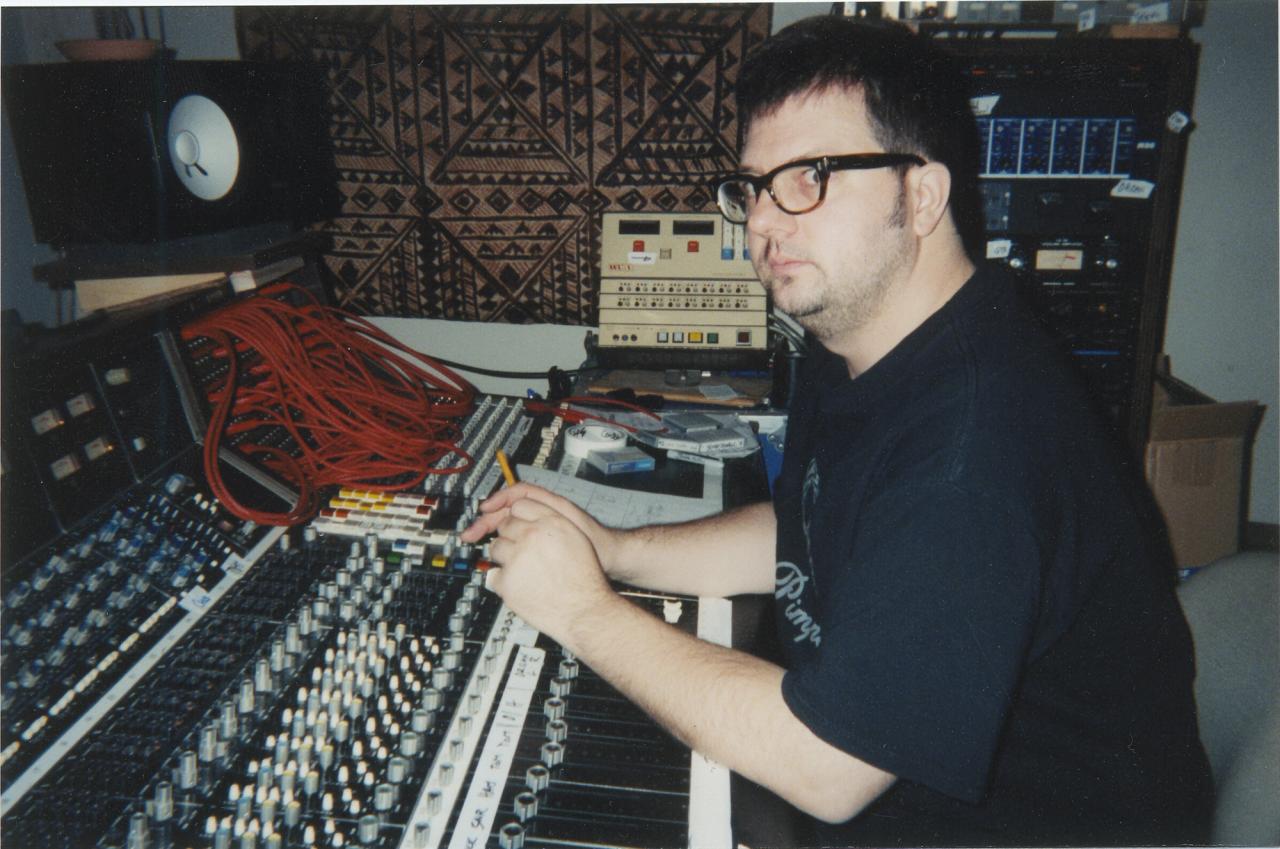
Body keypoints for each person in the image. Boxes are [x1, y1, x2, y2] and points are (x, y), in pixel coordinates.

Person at [461, 15, 1213, 847]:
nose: (763, 225)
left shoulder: (975, 450)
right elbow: (809, 527)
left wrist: (584, 610)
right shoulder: (859, 336)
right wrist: (615, 549)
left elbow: (831, 768)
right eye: (754, 186)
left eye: (810, 177)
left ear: (921, 195)